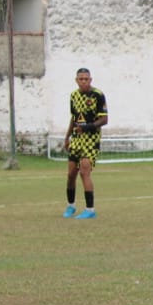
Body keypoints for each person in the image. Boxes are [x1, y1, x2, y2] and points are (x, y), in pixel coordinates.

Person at [62, 67, 108, 219]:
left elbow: (104, 119)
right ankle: (71, 206)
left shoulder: (97, 95)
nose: (83, 81)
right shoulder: (73, 96)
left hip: (91, 140)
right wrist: (67, 137)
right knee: (71, 174)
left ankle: (90, 209)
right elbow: (73, 119)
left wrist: (87, 127)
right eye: (81, 79)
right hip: (76, 139)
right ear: (76, 80)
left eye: (86, 79)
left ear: (90, 80)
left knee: (84, 172)